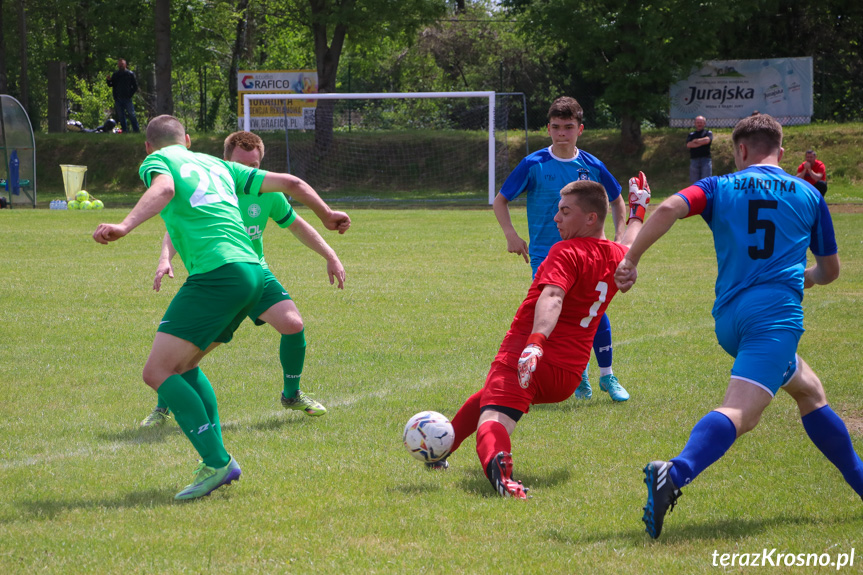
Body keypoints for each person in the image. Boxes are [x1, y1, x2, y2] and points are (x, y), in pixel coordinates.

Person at [615, 114, 863, 539]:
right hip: (774, 320)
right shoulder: (808, 193)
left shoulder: (718, 186)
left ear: (740, 150)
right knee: (742, 412)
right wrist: (802, 276)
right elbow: (831, 270)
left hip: (730, 320)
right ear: (781, 152)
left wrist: (631, 260)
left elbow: (672, 206)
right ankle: (674, 472)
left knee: (809, 390)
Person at [92, 115, 350, 500]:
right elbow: (293, 183)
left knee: (157, 371)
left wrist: (125, 226)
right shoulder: (219, 166)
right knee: (187, 365)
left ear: (148, 147)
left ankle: (217, 462)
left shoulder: (157, 162)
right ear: (189, 140)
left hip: (217, 274)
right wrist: (328, 215)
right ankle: (214, 455)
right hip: (251, 272)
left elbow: (163, 190)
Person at [435, 176, 650, 498]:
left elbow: (552, 296)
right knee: (489, 398)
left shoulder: (566, 251)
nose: (556, 217)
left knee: (493, 418)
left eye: (565, 211)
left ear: (591, 218)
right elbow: (631, 244)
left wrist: (535, 342)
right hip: (568, 374)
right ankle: (441, 451)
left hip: (529, 356)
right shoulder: (618, 256)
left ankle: (503, 478)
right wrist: (637, 211)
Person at [140, 131, 347, 427]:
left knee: (293, 324)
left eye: (255, 165)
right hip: (219, 277)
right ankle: (163, 407)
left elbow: (297, 225)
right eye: (242, 164)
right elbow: (176, 224)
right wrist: (164, 259)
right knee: (191, 349)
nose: (249, 171)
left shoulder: (267, 193)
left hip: (255, 271)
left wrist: (330, 255)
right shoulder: (212, 186)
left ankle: (291, 394)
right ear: (227, 161)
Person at [493, 96, 629, 402]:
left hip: (588, 253)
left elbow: (618, 199)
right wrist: (510, 235)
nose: (562, 133)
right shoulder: (534, 164)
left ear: (580, 129)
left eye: (568, 127)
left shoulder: (592, 165)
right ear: (548, 129)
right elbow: (500, 199)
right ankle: (578, 376)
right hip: (547, 253)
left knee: (594, 311)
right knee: (556, 310)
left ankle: (607, 375)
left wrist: (619, 239)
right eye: (556, 127)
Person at [106, 59, 140, 133]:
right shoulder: (116, 74)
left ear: (125, 65)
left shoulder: (130, 74)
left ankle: (136, 130)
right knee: (121, 116)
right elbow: (111, 85)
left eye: (122, 64)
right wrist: (108, 80)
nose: (120, 66)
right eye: (119, 64)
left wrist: (130, 95)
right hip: (118, 98)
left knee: (132, 114)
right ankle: (124, 131)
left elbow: (135, 86)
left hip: (127, 98)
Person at [686, 115, 713, 183]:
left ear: (704, 123)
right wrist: (701, 142)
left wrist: (696, 141)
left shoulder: (708, 133)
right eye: (697, 122)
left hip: (705, 160)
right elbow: (689, 145)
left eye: (701, 122)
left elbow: (707, 140)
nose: (699, 124)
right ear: (695, 123)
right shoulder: (691, 134)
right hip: (694, 160)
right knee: (694, 182)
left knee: (706, 181)